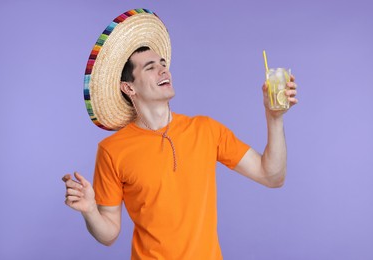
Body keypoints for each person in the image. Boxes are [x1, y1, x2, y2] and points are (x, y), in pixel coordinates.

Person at [62, 8, 298, 260]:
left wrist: (274, 118)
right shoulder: (112, 150)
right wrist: (89, 210)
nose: (164, 70)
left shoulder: (206, 129)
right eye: (151, 67)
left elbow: (272, 176)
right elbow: (109, 233)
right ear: (129, 87)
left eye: (163, 64)